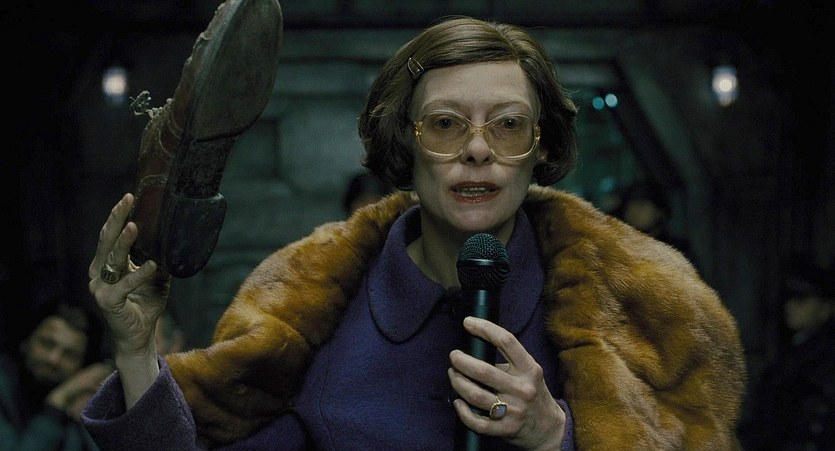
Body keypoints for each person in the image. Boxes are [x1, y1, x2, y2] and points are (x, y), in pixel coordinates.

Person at [81, 4, 746, 450]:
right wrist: (136, 351)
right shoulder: (308, 308)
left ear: (540, 146)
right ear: (405, 142)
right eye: (446, 124)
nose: (477, 149)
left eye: (508, 125)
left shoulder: (644, 304)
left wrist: (556, 436)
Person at [738, 261, 835, 450]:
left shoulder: (822, 358)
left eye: (802, 300)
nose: (790, 307)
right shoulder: (794, 351)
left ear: (826, 306)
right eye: (789, 299)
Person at [0, 303, 112, 450]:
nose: (54, 359)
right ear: (25, 342)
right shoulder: (4, 384)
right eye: (47, 344)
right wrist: (58, 403)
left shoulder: (79, 403)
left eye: (70, 354)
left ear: (83, 367)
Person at [613, 180, 694, 262]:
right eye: (629, 206)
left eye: (641, 205)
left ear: (659, 211)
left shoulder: (675, 250)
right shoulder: (618, 247)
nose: (634, 211)